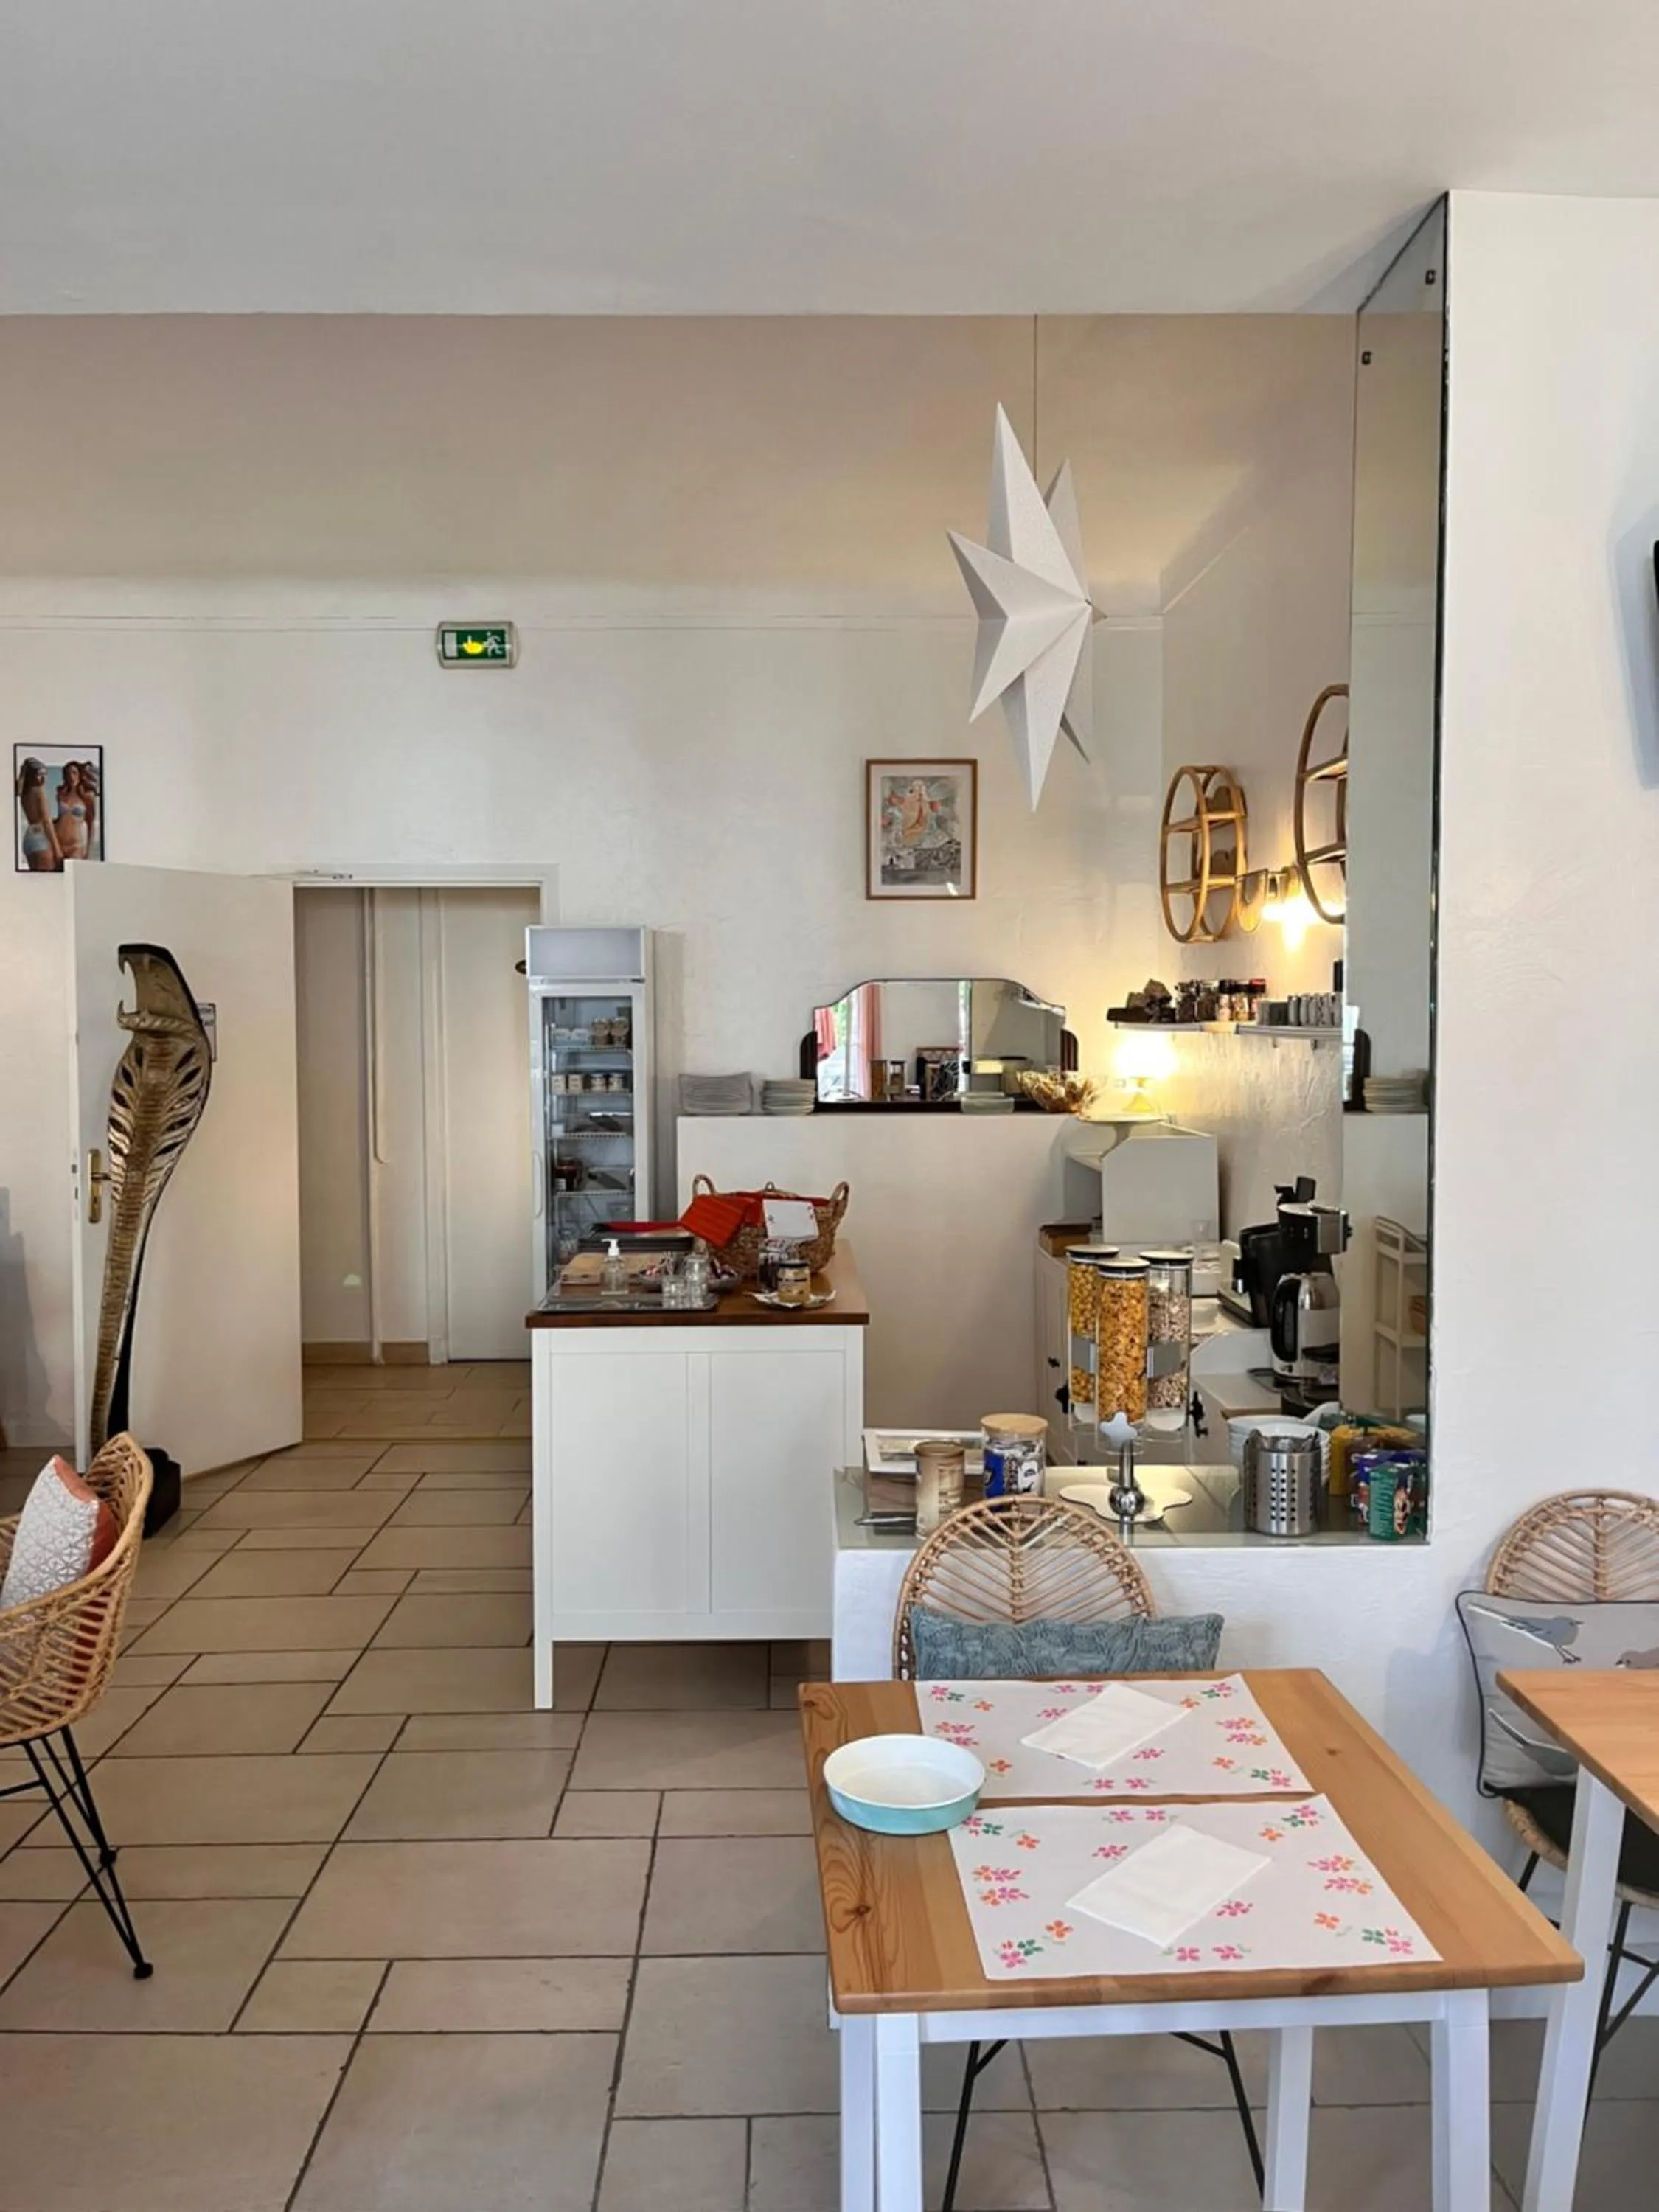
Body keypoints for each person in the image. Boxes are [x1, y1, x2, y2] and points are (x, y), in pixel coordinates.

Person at [15, 756, 62, 872]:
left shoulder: (25, 792)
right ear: (32, 776)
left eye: (45, 774)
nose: (43, 778)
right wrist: (57, 849)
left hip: (30, 836)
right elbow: (46, 822)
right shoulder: (40, 791)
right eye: (39, 774)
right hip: (42, 836)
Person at [54, 761, 91, 862]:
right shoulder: (61, 795)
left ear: (80, 775)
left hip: (76, 845)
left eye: (74, 773)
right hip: (59, 844)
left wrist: (88, 851)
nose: (71, 776)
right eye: (68, 773)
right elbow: (60, 818)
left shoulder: (87, 796)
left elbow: (90, 823)